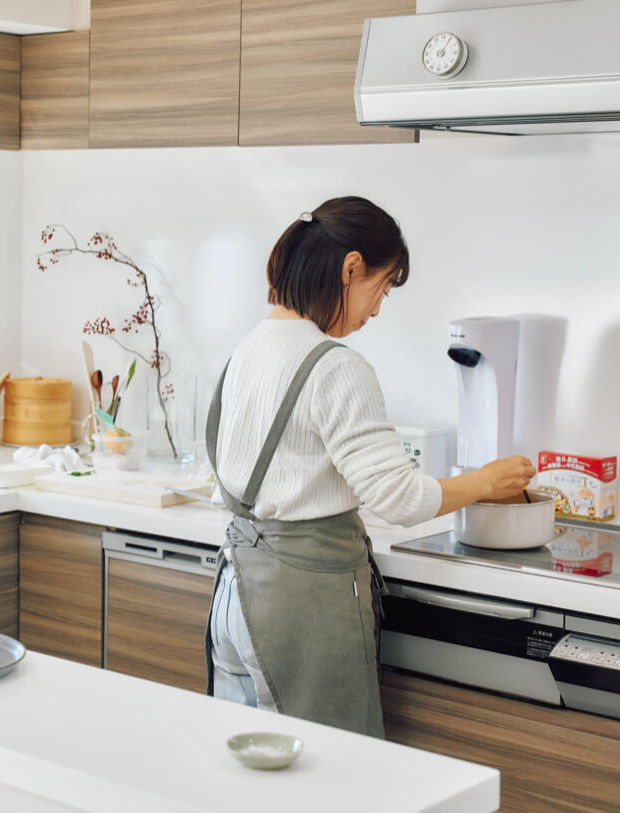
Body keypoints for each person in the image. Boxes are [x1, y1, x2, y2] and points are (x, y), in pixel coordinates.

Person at [205, 196, 535, 736]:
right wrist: (484, 482)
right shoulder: (337, 367)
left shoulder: (245, 351)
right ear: (351, 267)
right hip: (298, 609)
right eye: (381, 288)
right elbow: (399, 501)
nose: (377, 308)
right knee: (327, 783)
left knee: (247, 780)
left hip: (234, 597)